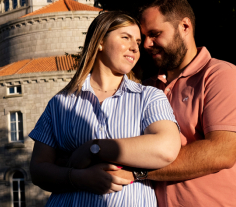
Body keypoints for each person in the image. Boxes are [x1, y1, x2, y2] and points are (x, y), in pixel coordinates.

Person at [29, 11, 181, 206]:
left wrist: (94, 149)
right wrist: (79, 178)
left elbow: (166, 149)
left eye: (137, 41)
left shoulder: (149, 97)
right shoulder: (60, 103)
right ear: (100, 42)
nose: (135, 47)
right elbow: (38, 170)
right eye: (125, 38)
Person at [138, 0, 236, 206]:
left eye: (155, 34)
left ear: (185, 26)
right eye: (143, 37)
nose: (146, 44)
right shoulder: (147, 88)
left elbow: (221, 152)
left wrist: (137, 171)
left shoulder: (222, 76)